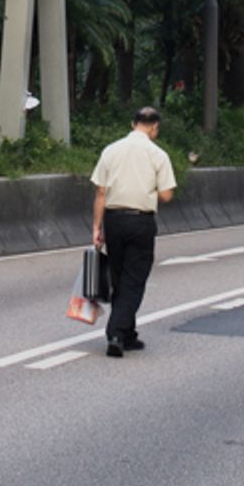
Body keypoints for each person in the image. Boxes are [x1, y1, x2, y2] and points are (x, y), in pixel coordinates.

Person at [90, 105, 177, 359]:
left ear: (133, 124)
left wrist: (97, 227)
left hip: (113, 220)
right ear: (155, 127)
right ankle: (116, 334)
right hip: (141, 222)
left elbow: (101, 192)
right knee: (134, 279)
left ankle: (128, 334)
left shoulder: (111, 151)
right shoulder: (158, 154)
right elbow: (167, 194)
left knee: (118, 277)